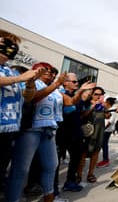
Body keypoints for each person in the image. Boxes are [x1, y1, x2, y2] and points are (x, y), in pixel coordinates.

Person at [7, 62, 95, 202]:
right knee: (21, 170)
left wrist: (81, 91)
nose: (50, 72)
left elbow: (71, 102)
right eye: (46, 70)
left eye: (52, 71)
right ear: (35, 70)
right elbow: (33, 97)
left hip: (49, 131)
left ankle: (50, 197)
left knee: (51, 166)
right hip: (31, 130)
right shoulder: (30, 82)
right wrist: (56, 84)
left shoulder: (55, 90)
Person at [0, 30, 40, 195]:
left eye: (13, 46)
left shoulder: (11, 71)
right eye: (5, 43)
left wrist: (30, 84)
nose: (10, 49)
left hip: (7, 131)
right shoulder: (15, 76)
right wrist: (20, 79)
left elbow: (28, 97)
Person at [54, 73, 85, 194]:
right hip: (62, 133)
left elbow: (81, 113)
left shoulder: (78, 96)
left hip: (76, 133)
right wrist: (81, 92)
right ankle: (53, 190)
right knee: (55, 163)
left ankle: (70, 182)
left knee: (75, 159)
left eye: (77, 82)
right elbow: (68, 109)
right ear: (65, 82)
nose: (77, 84)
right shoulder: (58, 94)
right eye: (74, 81)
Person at [77, 86, 106, 184]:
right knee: (83, 154)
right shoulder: (87, 103)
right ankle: (79, 175)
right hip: (88, 131)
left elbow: (106, 116)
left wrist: (104, 108)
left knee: (95, 153)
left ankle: (90, 174)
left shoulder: (102, 105)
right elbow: (83, 115)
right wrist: (94, 105)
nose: (98, 96)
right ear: (92, 95)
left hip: (99, 132)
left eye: (100, 94)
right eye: (96, 94)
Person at [97, 97, 117, 168]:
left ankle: (106, 160)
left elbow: (109, 122)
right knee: (103, 144)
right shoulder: (107, 109)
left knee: (104, 144)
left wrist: (102, 129)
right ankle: (105, 159)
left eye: (105, 102)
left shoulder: (112, 111)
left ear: (108, 103)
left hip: (106, 131)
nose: (104, 103)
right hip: (104, 130)